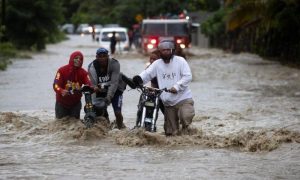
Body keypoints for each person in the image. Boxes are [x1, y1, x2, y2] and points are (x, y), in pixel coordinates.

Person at [133, 40, 195, 136]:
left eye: (167, 50)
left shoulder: (180, 61)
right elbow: (147, 74)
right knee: (171, 133)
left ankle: (187, 132)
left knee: (185, 117)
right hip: (168, 104)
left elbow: (187, 76)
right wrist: (138, 79)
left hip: (183, 99)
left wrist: (176, 87)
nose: (165, 52)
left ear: (172, 50)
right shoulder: (157, 64)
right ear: (160, 52)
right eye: (163, 50)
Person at [87, 47, 126, 129]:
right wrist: (94, 104)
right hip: (101, 91)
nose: (102, 59)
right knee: (99, 109)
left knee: (118, 113)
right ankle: (106, 128)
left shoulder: (115, 64)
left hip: (116, 90)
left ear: (108, 56)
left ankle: (121, 130)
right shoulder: (92, 67)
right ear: (96, 57)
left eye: (104, 56)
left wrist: (108, 98)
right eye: (100, 56)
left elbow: (114, 83)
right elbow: (94, 86)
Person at [53, 51, 92, 119]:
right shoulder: (61, 70)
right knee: (60, 125)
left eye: (80, 59)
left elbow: (89, 84)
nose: (78, 60)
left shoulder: (84, 73)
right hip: (61, 103)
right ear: (71, 59)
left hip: (75, 104)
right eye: (76, 58)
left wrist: (89, 88)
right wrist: (61, 91)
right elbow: (55, 85)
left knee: (75, 125)